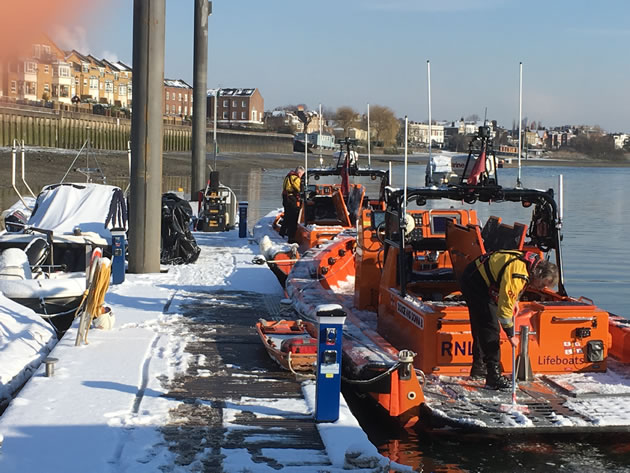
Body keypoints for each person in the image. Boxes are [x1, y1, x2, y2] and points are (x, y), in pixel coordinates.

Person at [459, 249, 559, 389]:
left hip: (477, 275)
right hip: (475, 282)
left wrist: (515, 300)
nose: (542, 288)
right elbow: (504, 309)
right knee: (490, 327)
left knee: (482, 326)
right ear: (538, 274)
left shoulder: (528, 267)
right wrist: (511, 334)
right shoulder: (519, 273)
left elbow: (510, 289)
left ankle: (479, 369)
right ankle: (493, 376)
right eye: (542, 284)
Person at [279, 166, 305, 243]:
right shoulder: (295, 179)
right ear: (299, 172)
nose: (302, 177)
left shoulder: (288, 177)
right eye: (302, 175)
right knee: (293, 217)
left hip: (286, 198)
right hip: (291, 199)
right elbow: (299, 189)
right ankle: (291, 237)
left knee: (287, 216)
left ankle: (282, 232)